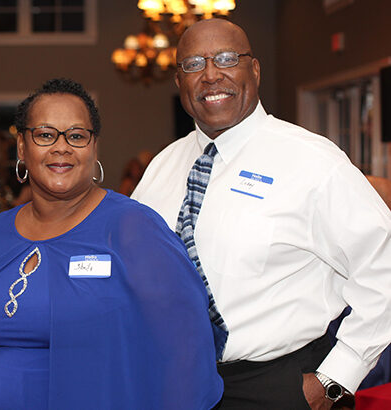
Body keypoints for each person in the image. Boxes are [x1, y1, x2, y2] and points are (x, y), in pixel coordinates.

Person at [132, 19, 391, 409]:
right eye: (193, 64)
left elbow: (384, 268)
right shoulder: (162, 167)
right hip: (176, 381)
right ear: (178, 82)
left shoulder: (315, 162)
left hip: (283, 386)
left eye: (226, 58)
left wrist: (335, 379)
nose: (210, 75)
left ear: (254, 70)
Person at [0, 78, 223, 409]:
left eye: (77, 136)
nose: (61, 147)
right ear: (22, 147)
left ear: (94, 148)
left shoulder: (133, 228)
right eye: (45, 135)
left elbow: (187, 348)